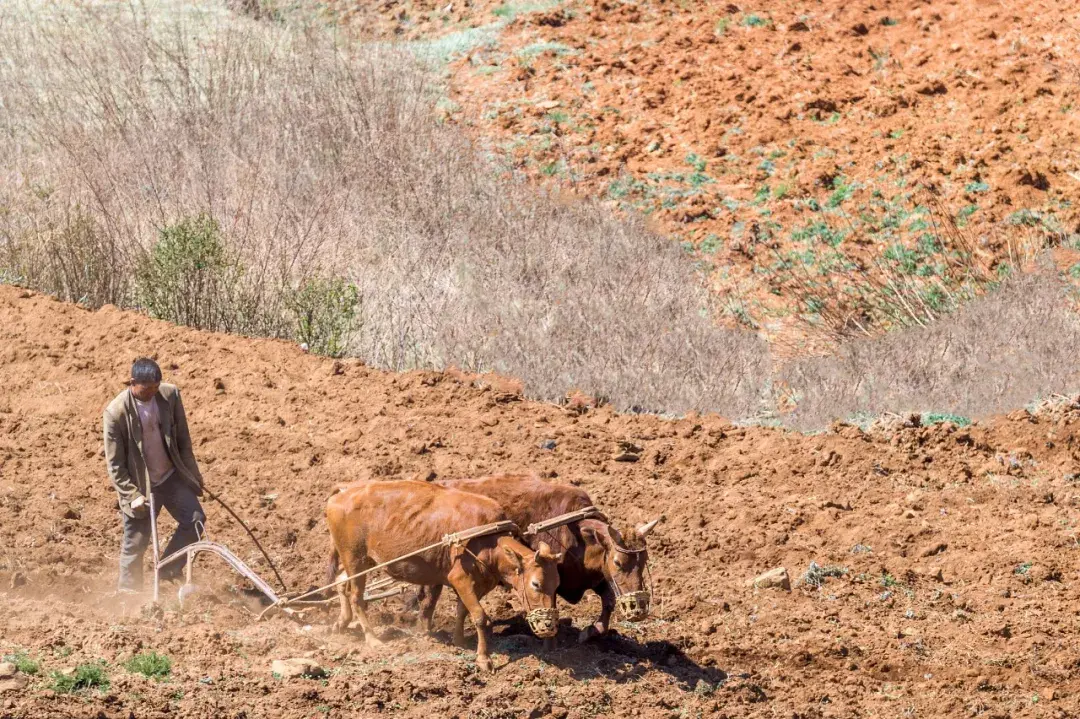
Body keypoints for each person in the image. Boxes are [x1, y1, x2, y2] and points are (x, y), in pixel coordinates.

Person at [103, 358, 206, 593]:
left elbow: (183, 441)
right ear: (132, 383)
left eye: (155, 387)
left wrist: (193, 473)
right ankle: (129, 593)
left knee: (195, 520)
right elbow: (116, 465)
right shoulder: (116, 413)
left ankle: (168, 569)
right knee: (136, 542)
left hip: (170, 476)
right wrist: (132, 495)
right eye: (147, 388)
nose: (152, 392)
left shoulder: (170, 396)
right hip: (141, 485)